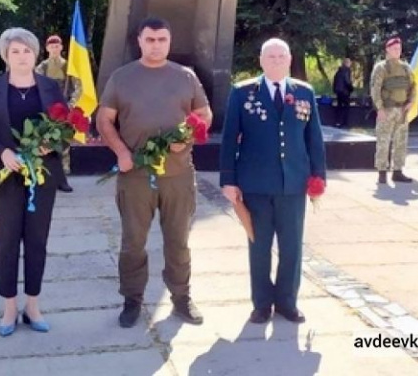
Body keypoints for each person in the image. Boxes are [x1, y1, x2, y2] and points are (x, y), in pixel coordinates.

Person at [96, 17, 212, 328]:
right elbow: (104, 119)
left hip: (177, 175)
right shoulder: (122, 78)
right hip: (135, 175)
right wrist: (121, 152)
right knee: (133, 242)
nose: (156, 45)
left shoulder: (186, 77)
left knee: (178, 241)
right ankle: (132, 300)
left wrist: (185, 139)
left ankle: (181, 299)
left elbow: (203, 114)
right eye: (150, 40)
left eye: (162, 39)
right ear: (140, 41)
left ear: (169, 42)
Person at [0, 28, 69, 337]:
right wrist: (2, 152)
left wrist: (52, 144)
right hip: (6, 176)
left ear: (35, 53)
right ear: (5, 56)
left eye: (27, 51)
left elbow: (65, 127)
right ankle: (9, 307)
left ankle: (33, 305)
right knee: (7, 240)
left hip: (43, 177)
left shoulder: (51, 87)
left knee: (37, 240)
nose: (22, 56)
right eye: (15, 51)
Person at [219, 38, 326, 324]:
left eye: (281, 56)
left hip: (293, 184)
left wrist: (318, 177)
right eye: (271, 56)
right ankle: (262, 304)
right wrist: (228, 180)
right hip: (255, 184)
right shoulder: (243, 93)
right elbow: (229, 139)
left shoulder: (304, 92)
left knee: (292, 246)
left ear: (289, 60)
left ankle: (287, 302)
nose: (276, 61)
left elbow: (313, 139)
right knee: (259, 245)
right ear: (261, 61)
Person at [35, 34, 79, 190]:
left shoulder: (69, 67)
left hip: (64, 110)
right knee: (45, 142)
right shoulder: (42, 68)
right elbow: (35, 86)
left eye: (57, 46)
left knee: (63, 143)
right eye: (51, 46)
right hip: (47, 111)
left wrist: (71, 104)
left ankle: (63, 177)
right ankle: (45, 176)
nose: (54, 49)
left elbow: (78, 87)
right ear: (47, 48)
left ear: (61, 47)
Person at [370, 37, 415, 184]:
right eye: (395, 48)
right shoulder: (381, 67)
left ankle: (397, 171)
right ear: (387, 50)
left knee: (400, 142)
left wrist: (411, 102)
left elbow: (413, 86)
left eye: (399, 48)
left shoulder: (406, 67)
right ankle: (382, 172)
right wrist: (380, 108)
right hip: (387, 109)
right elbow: (375, 89)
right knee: (383, 141)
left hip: (402, 110)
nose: (398, 51)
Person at [332, 57, 354, 128]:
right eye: (349, 62)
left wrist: (335, 90)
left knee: (339, 106)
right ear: (347, 63)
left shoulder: (339, 71)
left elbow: (335, 81)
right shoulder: (347, 70)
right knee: (346, 107)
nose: (350, 64)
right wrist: (351, 89)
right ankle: (345, 123)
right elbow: (347, 81)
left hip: (339, 91)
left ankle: (337, 122)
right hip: (345, 92)